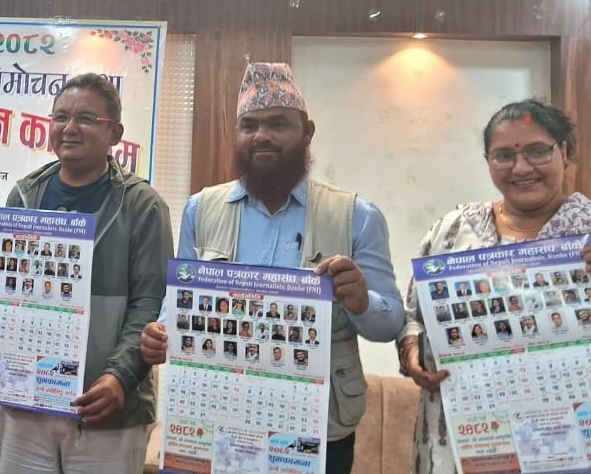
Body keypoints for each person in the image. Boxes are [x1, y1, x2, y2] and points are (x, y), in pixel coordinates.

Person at [142, 62, 401, 474]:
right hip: (217, 417)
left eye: (277, 124)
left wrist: (361, 300)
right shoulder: (201, 209)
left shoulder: (356, 216)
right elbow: (181, 299)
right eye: (249, 125)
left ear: (307, 132)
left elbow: (390, 324)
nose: (261, 135)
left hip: (317, 428)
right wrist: (159, 331)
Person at [0, 74, 171, 474]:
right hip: (26, 404)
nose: (70, 128)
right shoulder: (25, 194)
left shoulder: (143, 205)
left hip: (105, 407)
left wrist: (119, 377)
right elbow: (1, 294)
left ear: (115, 133)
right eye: (61, 117)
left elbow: (150, 303)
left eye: (86, 118)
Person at [399, 99, 591, 474]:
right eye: (504, 155)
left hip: (567, 441)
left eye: (537, 151)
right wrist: (411, 352)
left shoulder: (586, 232)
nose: (521, 168)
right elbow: (412, 316)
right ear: (488, 161)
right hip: (463, 439)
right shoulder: (454, 230)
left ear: (566, 152)